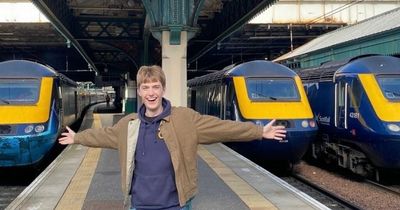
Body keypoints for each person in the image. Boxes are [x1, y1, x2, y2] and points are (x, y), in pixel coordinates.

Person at [59, 65, 286, 210]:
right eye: (145, 87)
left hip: (176, 204)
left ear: (163, 89)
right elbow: (104, 135)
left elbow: (221, 127)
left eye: (155, 86)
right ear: (139, 91)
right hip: (139, 204)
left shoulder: (184, 118)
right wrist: (78, 137)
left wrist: (258, 131)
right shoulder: (129, 125)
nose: (151, 92)